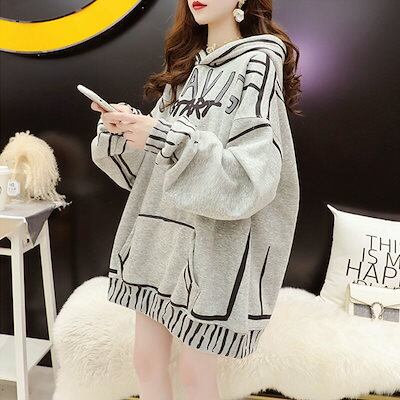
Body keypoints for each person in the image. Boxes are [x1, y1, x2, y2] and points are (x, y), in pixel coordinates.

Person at [90, 0, 302, 399]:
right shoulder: (187, 69)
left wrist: (165, 137)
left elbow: (252, 176)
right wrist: (128, 128)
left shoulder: (258, 64)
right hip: (157, 238)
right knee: (146, 360)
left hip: (209, 246)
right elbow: (150, 170)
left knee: (195, 374)